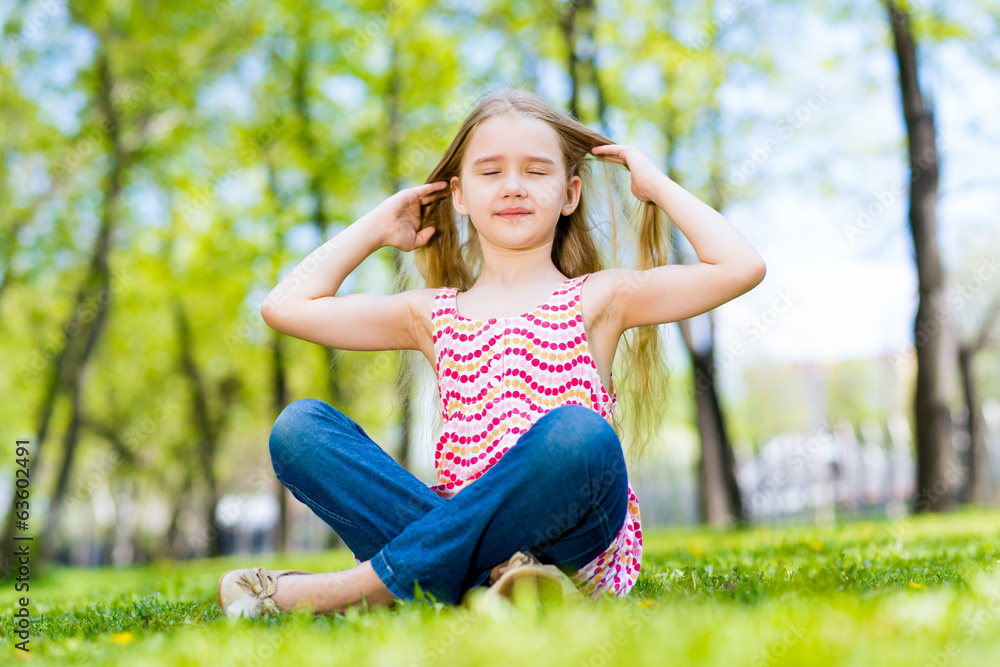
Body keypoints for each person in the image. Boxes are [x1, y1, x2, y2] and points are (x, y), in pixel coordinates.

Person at [216, 85, 765, 618]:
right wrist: (377, 226)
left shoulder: (601, 295)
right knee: (299, 429)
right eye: (490, 171)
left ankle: (348, 590)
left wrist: (655, 184)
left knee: (580, 436)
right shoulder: (431, 312)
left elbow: (740, 267)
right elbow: (284, 306)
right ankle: (500, 582)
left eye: (536, 170)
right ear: (458, 195)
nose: (513, 186)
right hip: (456, 523)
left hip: (575, 539)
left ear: (570, 193)